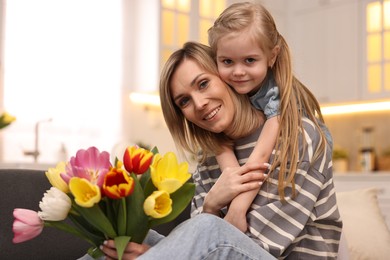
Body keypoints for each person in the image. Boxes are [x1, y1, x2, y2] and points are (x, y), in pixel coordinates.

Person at [99, 41, 342, 260]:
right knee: (128, 240)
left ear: (227, 77)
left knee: (206, 228)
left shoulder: (298, 136)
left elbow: (265, 245)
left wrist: (206, 218)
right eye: (184, 101)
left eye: (203, 84)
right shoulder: (209, 161)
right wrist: (211, 206)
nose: (199, 103)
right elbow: (201, 248)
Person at [208, 1, 334, 233]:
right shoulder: (234, 95)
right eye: (227, 61)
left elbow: (263, 153)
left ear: (272, 56)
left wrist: (237, 209)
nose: (238, 71)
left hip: (310, 165)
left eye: (249, 60)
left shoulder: (274, 92)